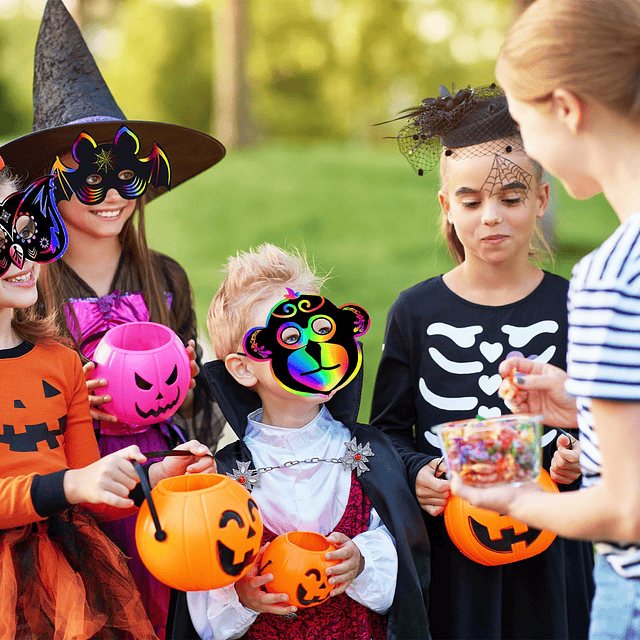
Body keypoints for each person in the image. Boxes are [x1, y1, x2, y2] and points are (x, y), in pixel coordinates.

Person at [0, 1, 227, 635]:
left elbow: (204, 403)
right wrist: (75, 401)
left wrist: (186, 377)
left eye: (126, 175)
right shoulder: (24, 284)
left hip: (160, 483)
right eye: (87, 178)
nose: (112, 196)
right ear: (48, 182)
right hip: (62, 493)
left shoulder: (167, 276)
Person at [370, 84, 594, 639]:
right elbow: (386, 432)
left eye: (511, 199)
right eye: (471, 202)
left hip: (555, 551)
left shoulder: (577, 305)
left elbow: (607, 419)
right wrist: (417, 469)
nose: (490, 217)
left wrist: (579, 458)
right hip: (452, 554)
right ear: (447, 207)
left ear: (541, 200)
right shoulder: (415, 311)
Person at [447, 1, 640, 639]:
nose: (525, 147)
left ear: (565, 107)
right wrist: (581, 398)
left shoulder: (610, 276)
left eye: (522, 118)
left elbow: (627, 510)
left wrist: (518, 501)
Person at [166, 243, 431, 640]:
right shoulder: (225, 480)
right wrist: (241, 596)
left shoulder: (368, 453)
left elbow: (406, 568)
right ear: (241, 369)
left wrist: (361, 561)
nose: (318, 347)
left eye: (323, 328)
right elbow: (205, 611)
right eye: (291, 337)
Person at [0, 164, 215, 640]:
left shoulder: (58, 362)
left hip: (66, 563)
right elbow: (76, 481)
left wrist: (154, 476)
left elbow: (95, 494)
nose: (20, 257)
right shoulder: (53, 316)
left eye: (23, 233)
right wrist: (73, 484)